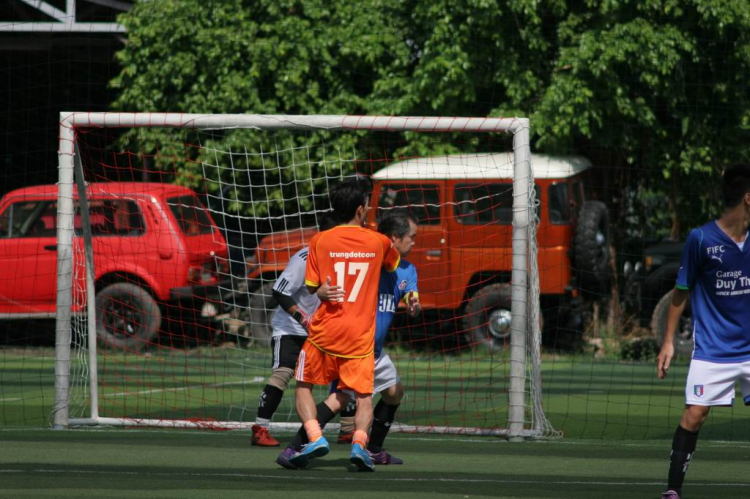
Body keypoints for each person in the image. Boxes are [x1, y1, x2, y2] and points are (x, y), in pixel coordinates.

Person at [276, 209, 420, 469]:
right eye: (411, 237)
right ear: (393, 238)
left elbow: (411, 292)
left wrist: (413, 301)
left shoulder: (408, 270)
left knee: (394, 392)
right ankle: (295, 447)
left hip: (374, 350)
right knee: (340, 399)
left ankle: (371, 448)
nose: (414, 242)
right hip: (356, 346)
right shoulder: (372, 259)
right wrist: (319, 291)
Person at [656, 163, 750, 499]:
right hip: (713, 350)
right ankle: (672, 490)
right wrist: (668, 341)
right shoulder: (701, 239)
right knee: (694, 415)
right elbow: (681, 292)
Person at [250, 212, 340, 447]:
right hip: (291, 327)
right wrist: (302, 317)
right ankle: (260, 429)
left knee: (343, 372)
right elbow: (279, 291)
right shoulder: (304, 258)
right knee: (283, 373)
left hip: (321, 330)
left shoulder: (341, 257)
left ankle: (348, 429)